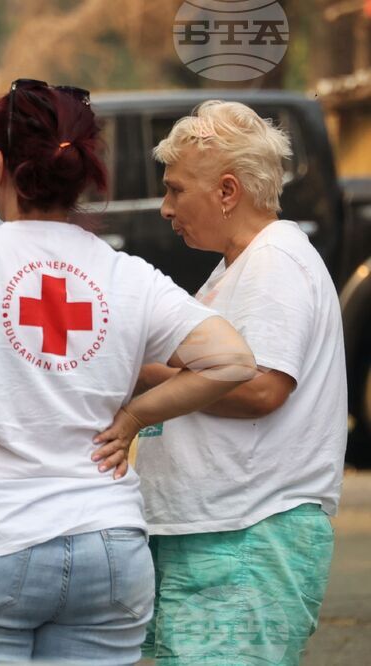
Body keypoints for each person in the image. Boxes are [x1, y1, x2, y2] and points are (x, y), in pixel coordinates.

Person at [0, 81, 257, 665]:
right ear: (83, 174)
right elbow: (232, 359)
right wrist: (133, 416)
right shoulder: (126, 273)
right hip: (108, 550)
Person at [136, 101, 348, 665]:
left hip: (246, 537)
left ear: (227, 191)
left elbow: (260, 389)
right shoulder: (243, 263)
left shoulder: (275, 262)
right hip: (224, 533)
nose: (165, 207)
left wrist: (140, 373)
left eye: (177, 190)